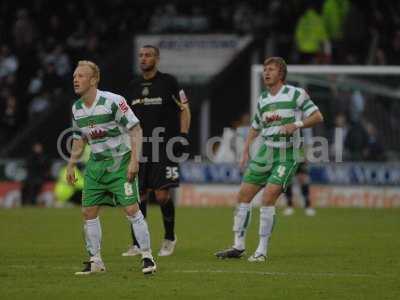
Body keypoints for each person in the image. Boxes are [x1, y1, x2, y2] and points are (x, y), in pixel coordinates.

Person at [215, 57, 323, 262]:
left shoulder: (296, 94)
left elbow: (318, 116)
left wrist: (296, 124)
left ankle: (262, 250)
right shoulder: (263, 99)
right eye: (265, 69)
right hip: (266, 151)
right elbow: (255, 127)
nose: (266, 72)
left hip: (287, 153)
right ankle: (238, 246)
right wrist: (246, 150)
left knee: (268, 198)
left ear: (280, 74)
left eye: (271, 69)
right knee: (243, 195)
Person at [66, 60, 156, 275]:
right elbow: (80, 139)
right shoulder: (77, 109)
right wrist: (71, 164)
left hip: (120, 162)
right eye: (74, 77)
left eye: (80, 76)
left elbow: (136, 129)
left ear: (94, 80)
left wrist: (135, 160)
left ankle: (147, 256)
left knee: (132, 209)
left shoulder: (113, 101)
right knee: (88, 212)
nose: (75, 80)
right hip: (96, 165)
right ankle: (95, 260)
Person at [122, 45, 191, 257]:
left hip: (164, 145)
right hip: (140, 147)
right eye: (141, 55)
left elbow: (185, 109)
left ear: (157, 59)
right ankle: (137, 244)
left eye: (148, 55)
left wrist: (183, 136)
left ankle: (170, 238)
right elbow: (126, 119)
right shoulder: (133, 86)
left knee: (161, 195)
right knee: (139, 195)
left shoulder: (168, 82)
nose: (143, 59)